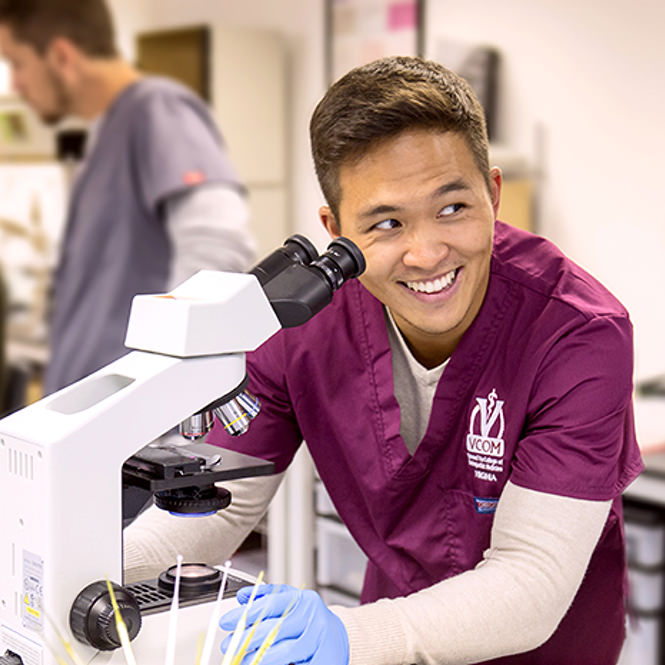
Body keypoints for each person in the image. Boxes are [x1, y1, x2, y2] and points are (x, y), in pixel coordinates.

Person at [124, 56, 643, 664]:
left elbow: (530, 582)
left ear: (494, 193)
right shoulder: (304, 321)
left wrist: (348, 638)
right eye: (386, 223)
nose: (426, 253)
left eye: (452, 208)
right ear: (335, 228)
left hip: (544, 648)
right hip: (395, 637)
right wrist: (84, 577)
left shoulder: (578, 334)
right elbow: (218, 504)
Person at [0, 0, 255, 395]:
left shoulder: (156, 108)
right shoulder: (106, 135)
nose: (15, 83)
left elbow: (218, 245)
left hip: (132, 428)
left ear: (61, 56)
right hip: (89, 421)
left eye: (17, 63)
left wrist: (161, 387)